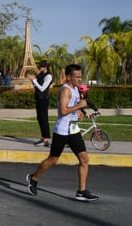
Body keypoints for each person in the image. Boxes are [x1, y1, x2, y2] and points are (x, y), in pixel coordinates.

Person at [26, 64, 99, 201]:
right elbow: (63, 111)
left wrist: (78, 112)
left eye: (80, 76)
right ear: (68, 77)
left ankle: (81, 191)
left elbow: (71, 108)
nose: (79, 79)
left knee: (84, 159)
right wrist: (79, 106)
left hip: (73, 130)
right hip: (62, 131)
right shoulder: (65, 90)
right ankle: (33, 177)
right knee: (53, 160)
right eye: (76, 77)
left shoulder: (76, 89)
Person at [28, 60, 53, 147]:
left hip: (43, 99)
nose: (40, 68)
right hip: (38, 98)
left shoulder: (48, 76)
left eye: (41, 66)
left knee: (44, 119)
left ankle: (46, 140)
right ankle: (43, 137)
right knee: (40, 118)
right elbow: (36, 86)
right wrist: (32, 80)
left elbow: (42, 88)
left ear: (46, 67)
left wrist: (34, 80)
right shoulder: (40, 75)